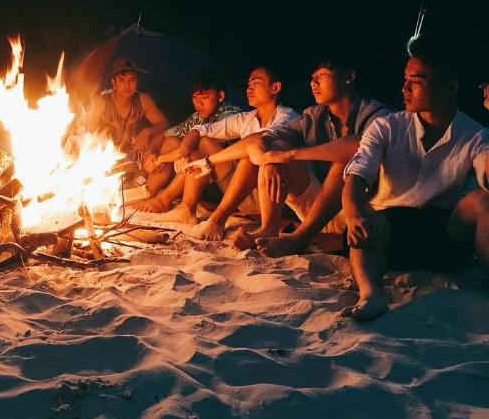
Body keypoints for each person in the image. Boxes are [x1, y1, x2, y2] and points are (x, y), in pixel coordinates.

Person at [342, 33, 489, 320]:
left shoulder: (474, 134)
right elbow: (357, 176)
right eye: (405, 78)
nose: (405, 88)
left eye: (417, 82)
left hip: (444, 233)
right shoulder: (386, 127)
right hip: (390, 228)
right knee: (366, 220)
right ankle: (371, 294)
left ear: (449, 87)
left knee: (483, 201)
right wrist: (353, 212)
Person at [243, 53, 393, 256]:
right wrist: (269, 160)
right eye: (312, 77)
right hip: (318, 210)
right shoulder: (314, 116)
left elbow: (359, 145)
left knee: (343, 162)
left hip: (359, 213)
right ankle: (269, 228)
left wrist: (289, 155)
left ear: (348, 77)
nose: (313, 82)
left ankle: (299, 238)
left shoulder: (378, 114)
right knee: (275, 147)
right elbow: (258, 140)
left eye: (321, 75)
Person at [140, 66, 299, 240]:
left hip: (275, 197)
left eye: (256, 83)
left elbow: (258, 141)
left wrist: (209, 161)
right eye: (248, 84)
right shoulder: (247, 118)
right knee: (202, 142)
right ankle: (186, 209)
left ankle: (216, 218)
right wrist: (184, 154)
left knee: (250, 154)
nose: (249, 88)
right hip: (244, 194)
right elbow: (200, 130)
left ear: (275, 87)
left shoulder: (288, 117)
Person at [140, 70, 241, 197]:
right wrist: (149, 155)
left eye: (205, 97)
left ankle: (165, 199)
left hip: (231, 181)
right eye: (195, 98)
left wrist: (164, 158)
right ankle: (148, 192)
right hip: (204, 178)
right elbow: (162, 135)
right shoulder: (196, 118)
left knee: (195, 148)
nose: (199, 104)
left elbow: (200, 145)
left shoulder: (230, 115)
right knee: (172, 142)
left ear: (220, 96)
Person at [86, 59, 169, 160]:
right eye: (121, 80)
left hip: (134, 156)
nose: (127, 85)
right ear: (113, 82)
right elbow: (86, 134)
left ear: (137, 82)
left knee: (164, 141)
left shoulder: (142, 100)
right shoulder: (101, 102)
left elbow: (164, 124)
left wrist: (147, 132)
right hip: (104, 158)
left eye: (132, 80)